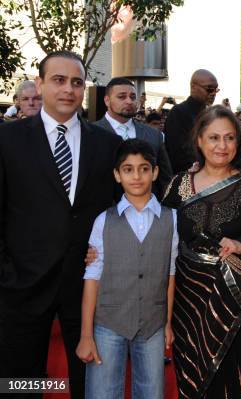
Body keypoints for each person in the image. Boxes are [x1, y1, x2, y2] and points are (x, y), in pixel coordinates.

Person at [0, 50, 122, 398]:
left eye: (76, 82)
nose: (68, 89)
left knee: (90, 384)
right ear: (39, 85)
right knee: (19, 385)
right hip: (21, 287)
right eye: (58, 80)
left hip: (86, 286)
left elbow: (115, 210)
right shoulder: (8, 140)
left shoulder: (108, 145)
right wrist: (7, 274)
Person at [162, 105, 241, 398]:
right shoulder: (177, 186)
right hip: (187, 302)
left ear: (238, 141)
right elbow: (157, 235)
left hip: (235, 304)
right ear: (199, 140)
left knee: (233, 377)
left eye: (229, 138)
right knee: (191, 375)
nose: (221, 146)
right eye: (213, 138)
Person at [76, 139, 177, 399]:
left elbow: (170, 274)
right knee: (102, 391)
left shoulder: (171, 219)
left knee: (152, 391)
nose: (136, 176)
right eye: (128, 169)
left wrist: (167, 322)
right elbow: (92, 278)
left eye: (144, 169)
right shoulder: (103, 221)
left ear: (154, 172)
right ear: (117, 175)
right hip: (108, 322)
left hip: (153, 324)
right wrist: (86, 335)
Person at [93, 77, 173, 197]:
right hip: (103, 211)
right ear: (107, 100)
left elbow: (165, 180)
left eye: (133, 97)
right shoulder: (91, 133)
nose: (129, 101)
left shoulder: (154, 135)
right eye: (122, 97)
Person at [164, 69, 219, 173]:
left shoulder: (210, 114)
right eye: (209, 89)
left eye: (216, 90)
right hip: (189, 177)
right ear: (193, 87)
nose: (213, 93)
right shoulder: (179, 112)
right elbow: (178, 152)